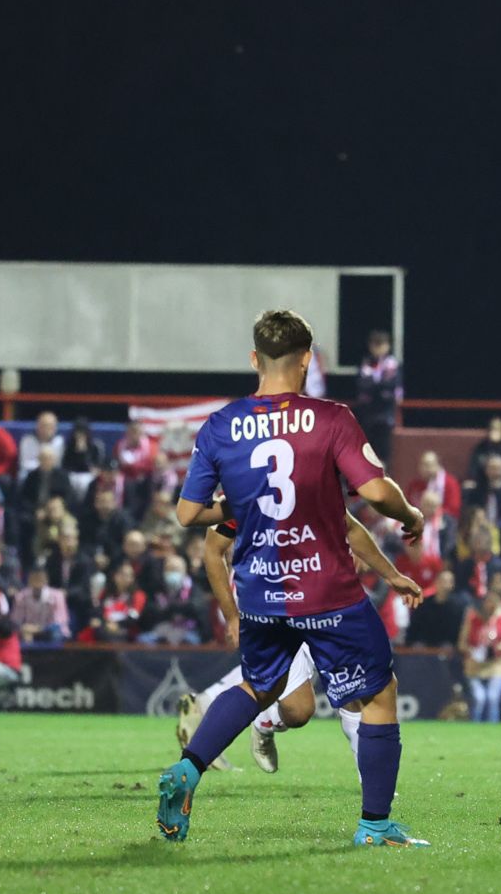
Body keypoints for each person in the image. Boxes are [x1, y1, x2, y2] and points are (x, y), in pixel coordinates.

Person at [162, 310, 427, 847]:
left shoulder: (220, 426)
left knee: (260, 685)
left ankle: (187, 772)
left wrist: (239, 501)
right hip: (326, 590)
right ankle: (375, 826)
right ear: (307, 359)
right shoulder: (330, 419)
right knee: (377, 696)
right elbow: (374, 494)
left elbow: (187, 515)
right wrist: (411, 516)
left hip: (260, 591)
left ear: (254, 359)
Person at [459, 582, 501, 721]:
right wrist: (471, 650)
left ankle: (492, 727)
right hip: (475, 664)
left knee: (492, 697)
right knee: (479, 697)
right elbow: (462, 643)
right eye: (488, 601)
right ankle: (475, 724)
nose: (490, 605)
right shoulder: (473, 619)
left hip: (498, 663)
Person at [353, 328, 403, 474]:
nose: (378, 347)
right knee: (366, 451)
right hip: (367, 416)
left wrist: (374, 386)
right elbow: (361, 385)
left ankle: (383, 480)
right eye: (375, 344)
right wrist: (378, 386)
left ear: (388, 346)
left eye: (382, 344)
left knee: (383, 454)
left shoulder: (392, 364)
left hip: (385, 417)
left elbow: (390, 387)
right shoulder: (365, 363)